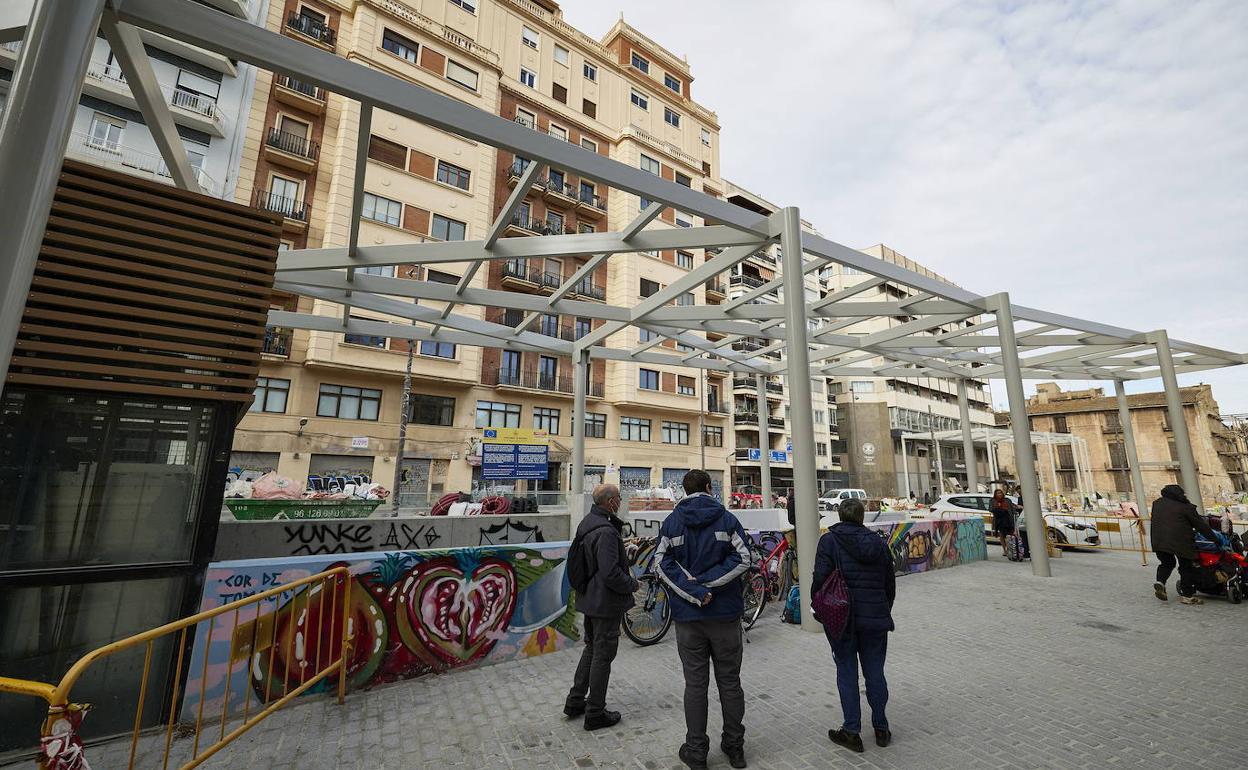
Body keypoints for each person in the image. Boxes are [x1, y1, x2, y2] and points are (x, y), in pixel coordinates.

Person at [656, 469, 752, 770]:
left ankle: (696, 752)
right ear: (710, 488)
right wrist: (707, 585)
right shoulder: (727, 519)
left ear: (684, 490)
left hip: (689, 620)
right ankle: (734, 748)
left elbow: (661, 563)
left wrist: (695, 589)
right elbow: (744, 559)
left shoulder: (671, 522)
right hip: (725, 618)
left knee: (695, 686)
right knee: (730, 683)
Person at [813, 498, 896, 753]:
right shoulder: (879, 543)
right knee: (875, 672)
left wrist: (819, 609)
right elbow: (889, 583)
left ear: (839, 515)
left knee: (846, 673)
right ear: (862, 517)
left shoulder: (829, 541)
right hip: (875, 619)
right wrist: (882, 609)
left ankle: (851, 731)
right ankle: (881, 727)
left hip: (842, 620)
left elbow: (819, 578)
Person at [564, 484, 638, 729]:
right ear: (609, 502)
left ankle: (575, 701)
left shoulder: (588, 522)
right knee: (603, 655)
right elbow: (610, 572)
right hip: (604, 602)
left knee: (592, 649)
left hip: (589, 598)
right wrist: (631, 584)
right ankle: (595, 711)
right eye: (618, 498)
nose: (620, 502)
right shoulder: (606, 531)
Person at [1150, 484, 1217, 605]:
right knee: (1186, 567)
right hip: (1181, 541)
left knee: (1167, 563)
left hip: (1159, 540)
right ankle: (1187, 596)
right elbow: (1201, 526)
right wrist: (1215, 539)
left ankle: (1160, 582)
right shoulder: (1185, 507)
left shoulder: (1157, 504)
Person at [989, 489, 1017, 557]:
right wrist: (998, 509)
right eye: (998, 493)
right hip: (999, 520)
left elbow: (1012, 510)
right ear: (995, 494)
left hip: (1008, 520)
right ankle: (1005, 550)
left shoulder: (1007, 500)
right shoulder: (993, 501)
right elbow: (990, 509)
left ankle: (1010, 549)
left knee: (1009, 535)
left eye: (1000, 493)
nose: (999, 494)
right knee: (1002, 535)